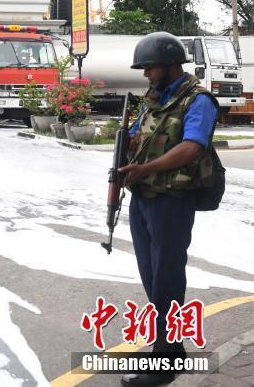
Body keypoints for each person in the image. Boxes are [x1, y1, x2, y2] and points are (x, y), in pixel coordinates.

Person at [116, 32, 219, 387]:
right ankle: (167, 345)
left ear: (171, 64)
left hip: (172, 202)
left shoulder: (198, 100)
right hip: (143, 199)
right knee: (151, 274)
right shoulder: (152, 100)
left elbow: (192, 147)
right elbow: (136, 135)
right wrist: (126, 145)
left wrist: (144, 169)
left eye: (150, 66)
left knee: (167, 277)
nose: (146, 73)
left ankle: (167, 359)